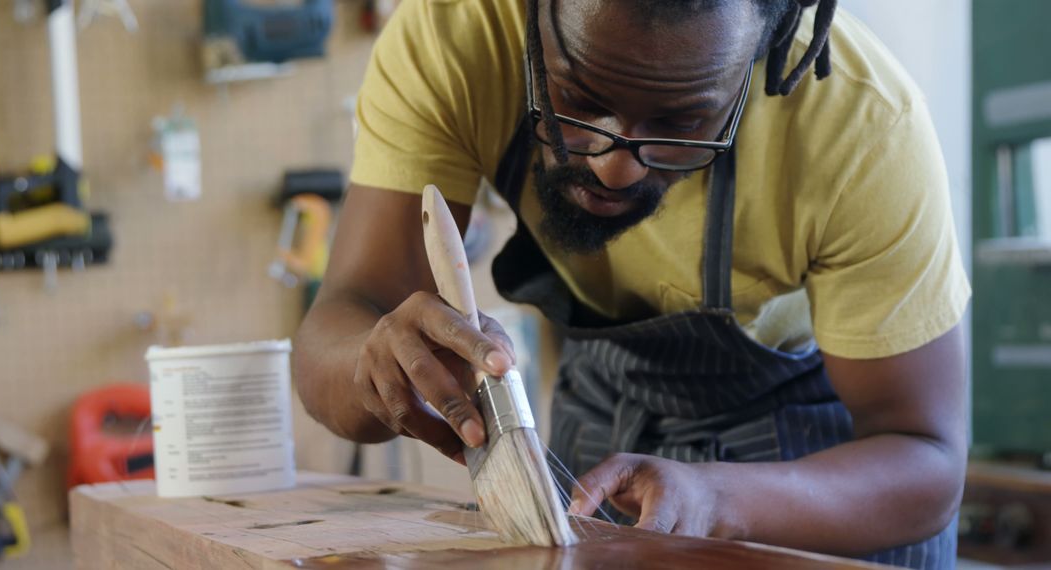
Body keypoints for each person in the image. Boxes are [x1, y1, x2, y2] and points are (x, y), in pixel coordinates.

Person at [294, 1, 971, 567]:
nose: (614, 168)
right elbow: (343, 320)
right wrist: (372, 368)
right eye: (579, 100)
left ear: (763, 48)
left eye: (682, 123)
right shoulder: (457, 39)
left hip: (817, 478)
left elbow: (926, 462)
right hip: (606, 429)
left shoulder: (862, 127)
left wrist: (717, 499)